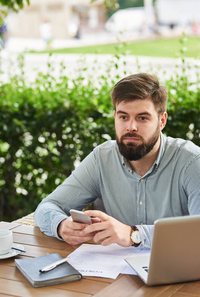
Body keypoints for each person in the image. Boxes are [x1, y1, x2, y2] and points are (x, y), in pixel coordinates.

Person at [34, 73, 200, 249]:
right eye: (123, 117)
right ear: (115, 117)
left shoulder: (191, 162)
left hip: (180, 271)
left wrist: (133, 234)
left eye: (142, 118)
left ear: (162, 121)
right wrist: (61, 226)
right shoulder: (101, 159)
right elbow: (47, 207)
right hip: (112, 273)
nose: (131, 127)